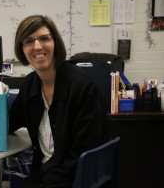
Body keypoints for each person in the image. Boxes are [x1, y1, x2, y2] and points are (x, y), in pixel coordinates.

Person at [9, 15, 109, 188]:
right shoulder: (29, 86)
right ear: (22, 49)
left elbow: (83, 152)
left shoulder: (82, 87)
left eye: (44, 38)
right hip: (44, 172)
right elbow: (10, 122)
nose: (37, 46)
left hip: (75, 177)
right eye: (29, 41)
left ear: (55, 43)